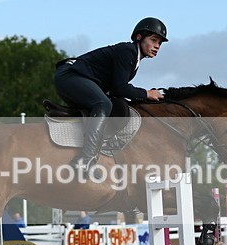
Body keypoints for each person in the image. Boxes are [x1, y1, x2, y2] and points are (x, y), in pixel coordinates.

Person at [53, 17, 167, 174]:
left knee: (110, 104)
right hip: (70, 75)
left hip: (75, 77)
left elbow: (115, 90)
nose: (157, 46)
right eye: (154, 40)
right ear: (139, 37)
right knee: (103, 104)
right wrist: (146, 93)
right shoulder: (129, 51)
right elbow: (120, 88)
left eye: (159, 43)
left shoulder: (135, 60)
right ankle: (86, 160)